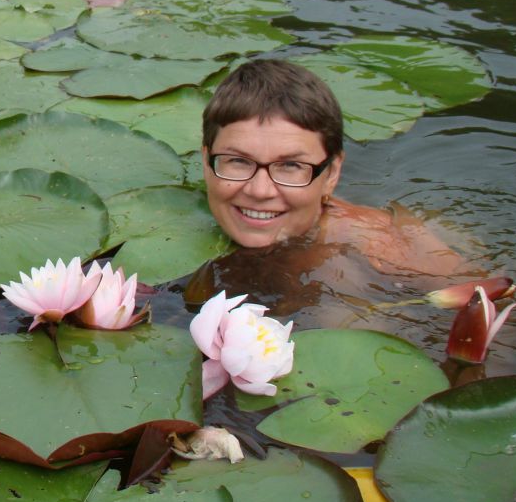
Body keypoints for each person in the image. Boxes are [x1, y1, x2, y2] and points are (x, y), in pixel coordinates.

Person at [187, 58, 478, 318]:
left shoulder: (375, 247)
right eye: (237, 161)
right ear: (205, 160)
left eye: (290, 166)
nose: (260, 190)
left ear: (332, 173)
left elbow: (489, 302)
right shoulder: (167, 224)